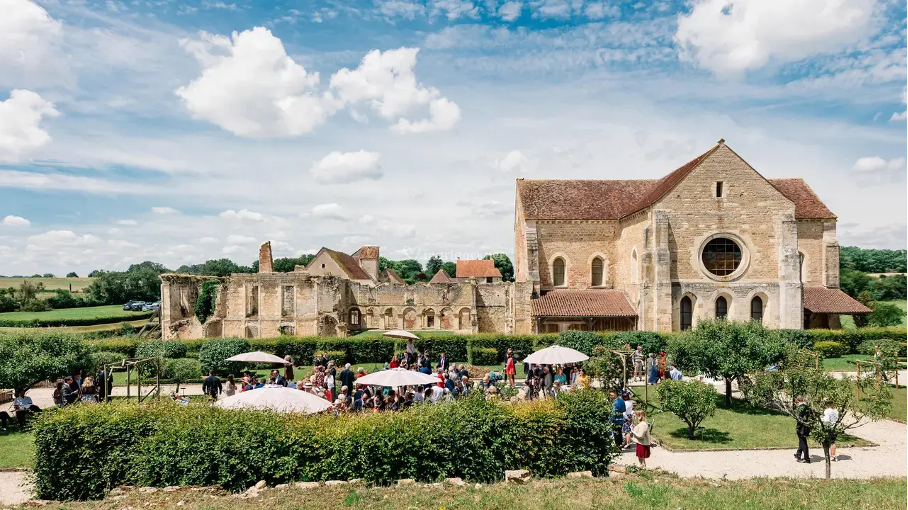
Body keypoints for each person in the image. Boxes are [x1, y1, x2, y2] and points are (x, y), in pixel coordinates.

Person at [794, 397, 813, 463]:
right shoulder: (807, 407)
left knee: (803, 442)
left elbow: (799, 419)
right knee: (801, 441)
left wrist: (798, 427)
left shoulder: (800, 408)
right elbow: (811, 416)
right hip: (806, 426)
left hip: (801, 427)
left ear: (798, 401)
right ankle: (798, 454)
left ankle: (806, 458)